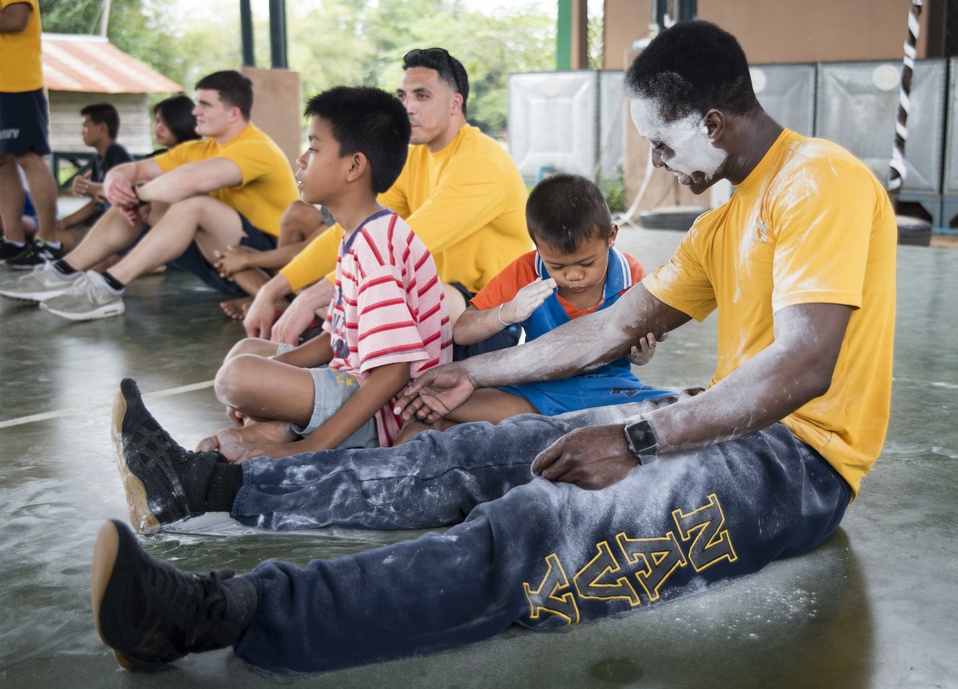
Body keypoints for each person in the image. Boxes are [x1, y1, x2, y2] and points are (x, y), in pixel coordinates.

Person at [90, 21, 896, 675]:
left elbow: (802, 364)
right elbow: (610, 326)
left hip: (799, 463)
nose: (657, 163)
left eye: (661, 144)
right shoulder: (726, 219)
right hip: (720, 421)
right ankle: (199, 484)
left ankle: (217, 614)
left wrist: (636, 437)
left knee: (548, 521)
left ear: (712, 123)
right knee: (478, 449)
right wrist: (466, 369)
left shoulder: (818, 181)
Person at [194, 85, 451, 462]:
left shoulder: (376, 246)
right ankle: (264, 434)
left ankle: (286, 436)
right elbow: (337, 340)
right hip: (353, 378)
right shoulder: (357, 234)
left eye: (313, 149)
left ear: (354, 166)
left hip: (386, 411)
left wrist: (310, 446)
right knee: (246, 354)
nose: (300, 159)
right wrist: (269, 377)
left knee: (237, 377)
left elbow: (394, 372)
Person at [243, 48, 532, 360]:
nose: (407, 107)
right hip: (447, 300)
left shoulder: (481, 163)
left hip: (494, 317)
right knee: (360, 285)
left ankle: (330, 363)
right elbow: (357, 229)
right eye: (402, 95)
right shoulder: (415, 157)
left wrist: (311, 298)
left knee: (374, 286)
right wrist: (272, 290)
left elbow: (392, 245)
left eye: (422, 96)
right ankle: (329, 356)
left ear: (455, 103)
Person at [394, 172, 672, 444]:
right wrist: (508, 312)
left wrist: (642, 354)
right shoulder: (525, 271)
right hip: (537, 391)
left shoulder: (630, 273)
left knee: (682, 417)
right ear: (537, 246)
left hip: (610, 390)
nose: (573, 276)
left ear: (611, 236)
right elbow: (462, 332)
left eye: (587, 264)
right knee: (428, 413)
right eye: (558, 266)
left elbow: (642, 358)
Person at [0, 70, 299, 321]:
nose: (195, 111)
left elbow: (192, 179)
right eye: (196, 103)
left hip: (267, 262)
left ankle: (109, 285)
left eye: (205, 105)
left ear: (234, 113)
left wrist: (135, 196)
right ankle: (64, 270)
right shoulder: (197, 148)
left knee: (193, 204)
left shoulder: (257, 147)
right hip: (220, 261)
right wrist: (119, 181)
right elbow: (133, 169)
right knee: (152, 200)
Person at [0, 0, 61, 267]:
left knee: (28, 156)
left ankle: (50, 241)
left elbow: (15, 20)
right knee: (2, 161)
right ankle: (14, 241)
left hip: (16, 84)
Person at [39, 104, 134, 248]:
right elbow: (96, 203)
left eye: (86, 126)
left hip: (111, 227)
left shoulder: (116, 153)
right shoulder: (98, 159)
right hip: (95, 222)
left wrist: (91, 188)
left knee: (45, 238)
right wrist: (65, 221)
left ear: (102, 128)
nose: (82, 132)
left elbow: (124, 193)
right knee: (45, 233)